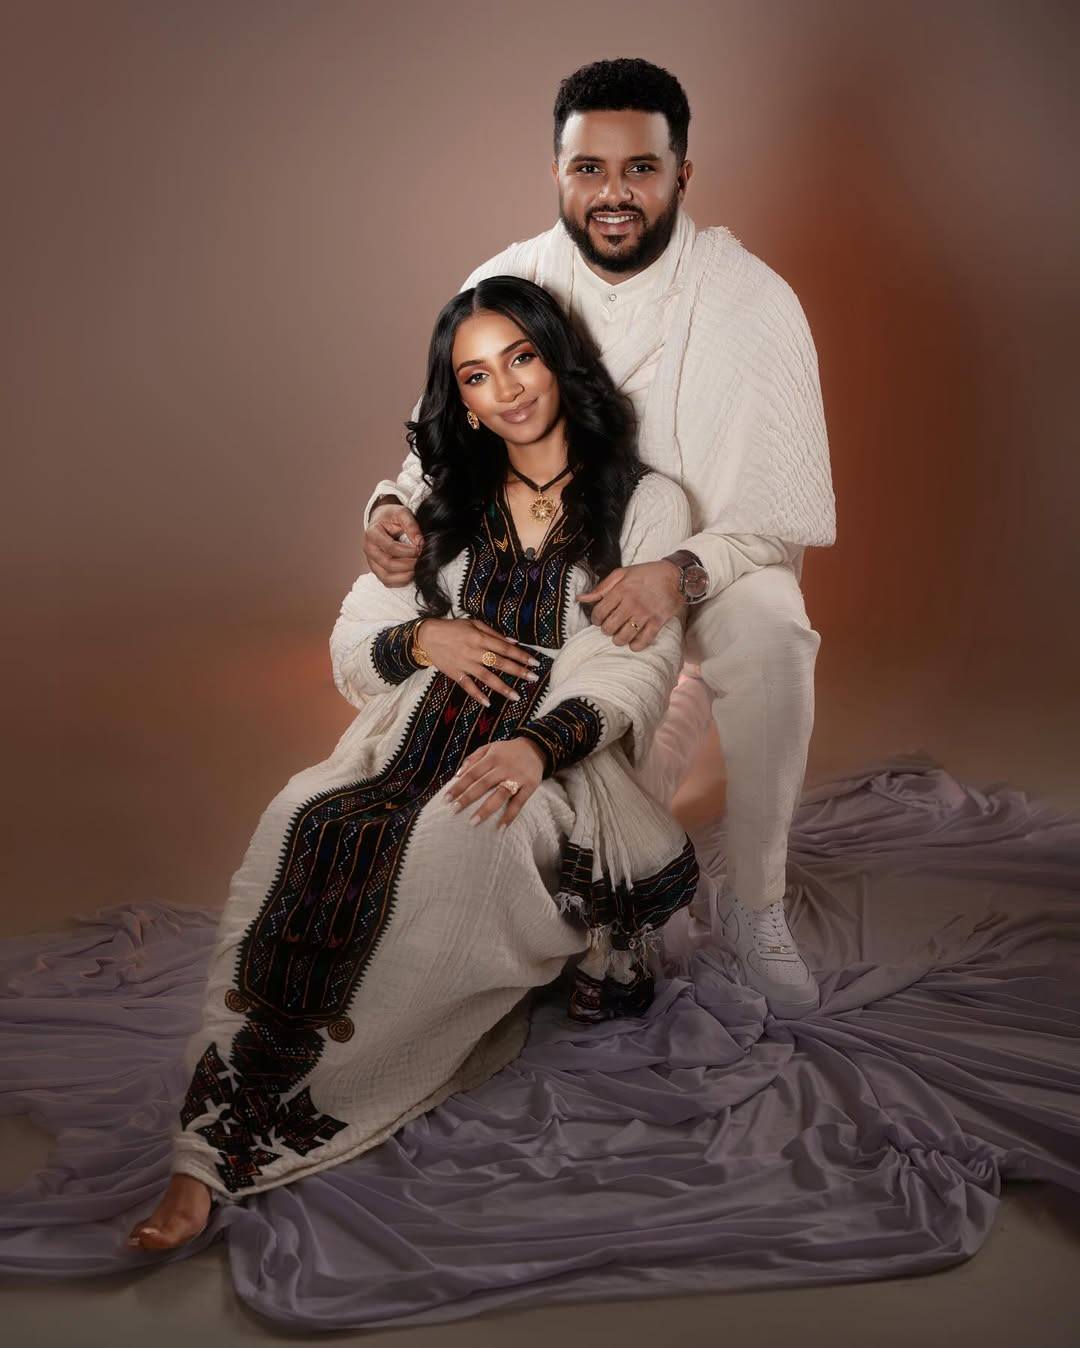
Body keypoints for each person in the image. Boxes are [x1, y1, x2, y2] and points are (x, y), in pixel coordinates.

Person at [125, 275, 700, 1251]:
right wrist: (427, 639)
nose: (508, 389)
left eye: (521, 356)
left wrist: (531, 745)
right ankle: (208, 1144)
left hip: (560, 757)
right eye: (476, 376)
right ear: (461, 402)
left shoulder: (643, 502)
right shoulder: (441, 500)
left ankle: (374, 1063)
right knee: (303, 813)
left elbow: (636, 662)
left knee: (454, 837)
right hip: (415, 738)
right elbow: (362, 632)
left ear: (558, 356)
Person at [363, 58, 836, 1021]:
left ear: (682, 174)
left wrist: (680, 570)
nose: (613, 194)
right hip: (552, 560)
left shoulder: (753, 300)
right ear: (557, 171)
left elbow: (779, 515)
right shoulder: (514, 277)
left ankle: (756, 905)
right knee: (552, 728)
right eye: (589, 168)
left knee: (777, 632)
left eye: (640, 169)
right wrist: (385, 510)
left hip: (707, 555)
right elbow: (436, 437)